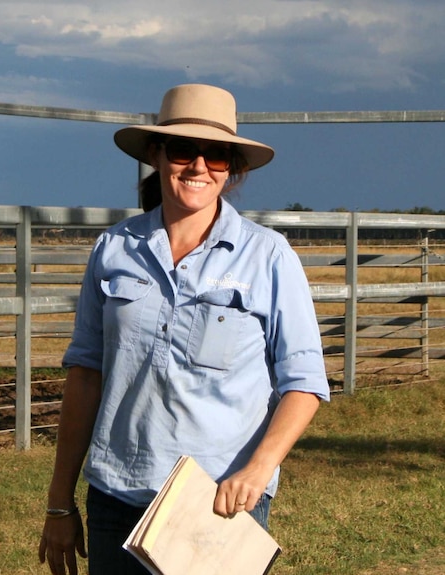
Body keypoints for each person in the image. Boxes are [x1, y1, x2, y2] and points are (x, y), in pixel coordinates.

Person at [38, 83, 330, 575]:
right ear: (156, 154)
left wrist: (257, 471)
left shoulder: (268, 256)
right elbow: (85, 375)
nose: (198, 167)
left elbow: (304, 382)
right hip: (116, 495)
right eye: (182, 150)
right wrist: (59, 500)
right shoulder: (114, 248)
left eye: (216, 155)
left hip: (220, 499)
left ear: (232, 167)